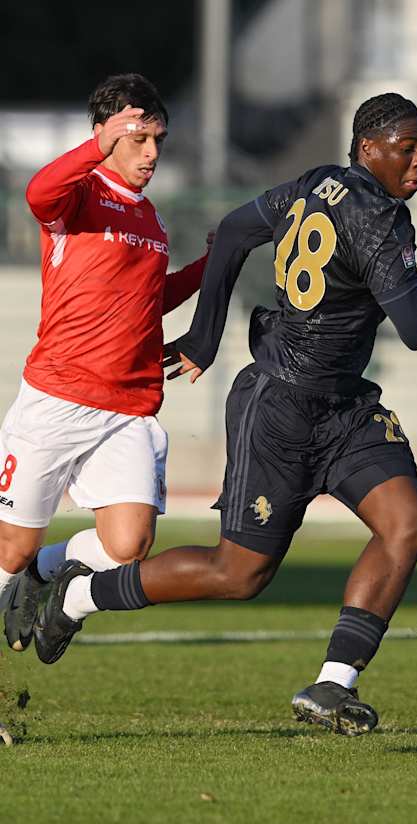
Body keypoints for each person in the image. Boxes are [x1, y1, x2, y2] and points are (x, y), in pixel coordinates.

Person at [34, 92, 417, 735]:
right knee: (239, 575)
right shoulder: (378, 218)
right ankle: (81, 594)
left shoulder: (320, 183)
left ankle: (333, 684)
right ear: (368, 149)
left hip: (343, 404)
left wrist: (205, 334)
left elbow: (233, 230)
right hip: (279, 405)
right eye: (407, 147)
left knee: (407, 524)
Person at [0, 74, 210, 652]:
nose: (151, 152)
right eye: (138, 137)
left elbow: (151, 298)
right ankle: (24, 569)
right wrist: (98, 143)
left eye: (158, 140)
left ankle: (42, 577)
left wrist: (209, 266)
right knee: (7, 549)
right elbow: (37, 193)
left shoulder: (152, 218)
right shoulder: (77, 196)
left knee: (127, 545)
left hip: (128, 408)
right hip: (58, 398)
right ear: (104, 134)